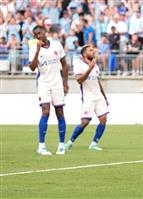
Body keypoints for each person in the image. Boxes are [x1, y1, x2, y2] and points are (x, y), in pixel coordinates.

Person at [28, 25, 69, 155]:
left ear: (45, 32)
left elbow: (64, 64)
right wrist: (37, 51)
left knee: (60, 112)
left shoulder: (57, 45)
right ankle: (41, 146)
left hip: (57, 82)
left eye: (40, 33)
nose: (38, 36)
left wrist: (65, 83)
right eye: (36, 35)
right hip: (43, 83)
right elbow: (33, 68)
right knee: (45, 111)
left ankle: (61, 145)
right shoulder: (34, 48)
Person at [64, 45, 109, 151]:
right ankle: (70, 142)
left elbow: (97, 81)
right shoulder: (79, 65)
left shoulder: (95, 65)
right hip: (88, 97)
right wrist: (89, 69)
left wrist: (104, 97)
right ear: (84, 54)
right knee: (85, 122)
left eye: (93, 50)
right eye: (90, 50)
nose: (93, 52)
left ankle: (94, 144)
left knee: (103, 119)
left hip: (99, 96)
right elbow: (79, 80)